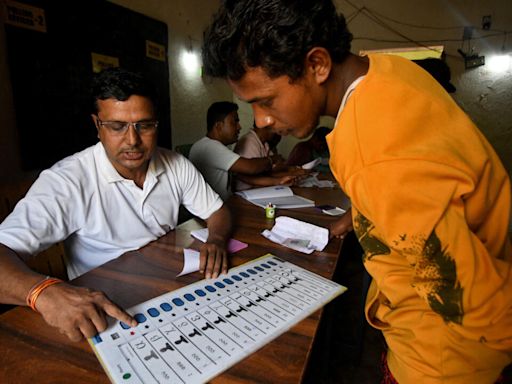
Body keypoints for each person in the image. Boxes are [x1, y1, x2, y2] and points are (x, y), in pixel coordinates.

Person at [202, 1, 512, 383]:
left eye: (265, 100)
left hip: (440, 360)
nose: (262, 120)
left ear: (317, 65)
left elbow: (472, 304)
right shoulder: (388, 72)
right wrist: (360, 213)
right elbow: (420, 188)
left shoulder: (374, 153)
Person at [0, 67, 232, 342]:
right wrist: (42, 291)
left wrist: (216, 239)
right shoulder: (68, 180)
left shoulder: (175, 164)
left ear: (157, 124)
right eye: (117, 126)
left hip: (168, 287)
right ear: (97, 125)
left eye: (144, 125)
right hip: (102, 309)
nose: (132, 140)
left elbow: (217, 211)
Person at [189, 101, 283, 200]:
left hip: (221, 204)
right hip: (213, 210)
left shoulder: (207, 145)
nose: (239, 127)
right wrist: (273, 159)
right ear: (219, 126)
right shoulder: (209, 146)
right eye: (235, 122)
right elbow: (250, 167)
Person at [234, 121, 305, 191]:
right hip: (246, 192)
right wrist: (290, 174)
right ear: (265, 126)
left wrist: (291, 172)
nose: (277, 132)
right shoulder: (249, 142)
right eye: (276, 129)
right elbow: (256, 177)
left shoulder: (265, 144)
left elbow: (273, 169)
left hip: (257, 189)